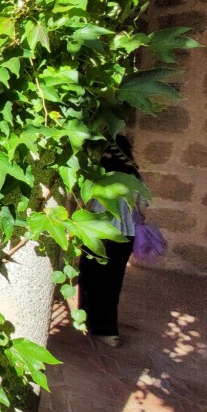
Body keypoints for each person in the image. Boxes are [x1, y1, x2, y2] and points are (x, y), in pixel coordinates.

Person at [78, 135, 140, 348]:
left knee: (91, 278)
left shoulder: (99, 175)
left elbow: (87, 201)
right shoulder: (134, 177)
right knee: (112, 283)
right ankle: (108, 331)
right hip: (126, 237)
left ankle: (91, 323)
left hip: (100, 232)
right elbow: (142, 209)